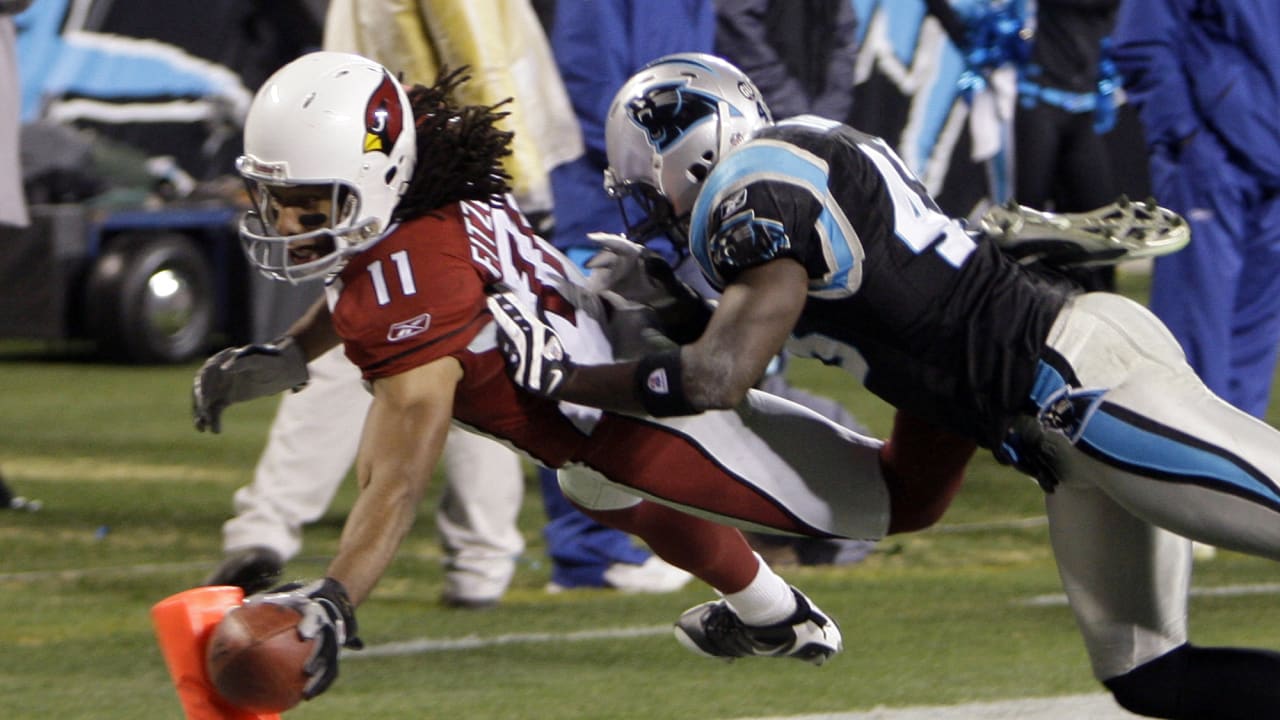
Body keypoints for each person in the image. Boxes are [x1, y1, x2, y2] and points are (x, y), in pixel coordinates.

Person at [488, 52, 1280, 719]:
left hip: (1084, 390)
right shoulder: (792, 169)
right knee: (1151, 676)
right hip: (1053, 429)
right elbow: (867, 314)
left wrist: (567, 377)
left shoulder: (753, 195)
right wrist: (673, 305)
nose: (653, 206)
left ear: (680, 151)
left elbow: (718, 377)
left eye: (646, 183)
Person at [189, 51, 957, 701]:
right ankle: (771, 613)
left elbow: (394, 478)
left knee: (899, 499)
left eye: (307, 204)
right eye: (276, 200)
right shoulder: (421, 169)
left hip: (636, 417)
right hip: (597, 383)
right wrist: (293, 354)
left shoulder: (413, 286)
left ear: (376, 173)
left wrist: (336, 596)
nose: (287, 224)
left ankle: (964, 353)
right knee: (595, 490)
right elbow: (356, 276)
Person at [205, 0, 692, 603]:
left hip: (393, 172)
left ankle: (286, 531)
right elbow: (477, 57)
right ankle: (479, 557)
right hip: (403, 169)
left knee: (452, 357)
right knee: (467, 357)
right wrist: (517, 175)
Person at [1113, 1, 1280, 420]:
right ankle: (1178, 480)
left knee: (1251, 358)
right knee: (1190, 356)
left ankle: (1238, 482)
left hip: (1271, 171)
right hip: (1210, 166)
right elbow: (1140, 41)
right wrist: (1187, 141)